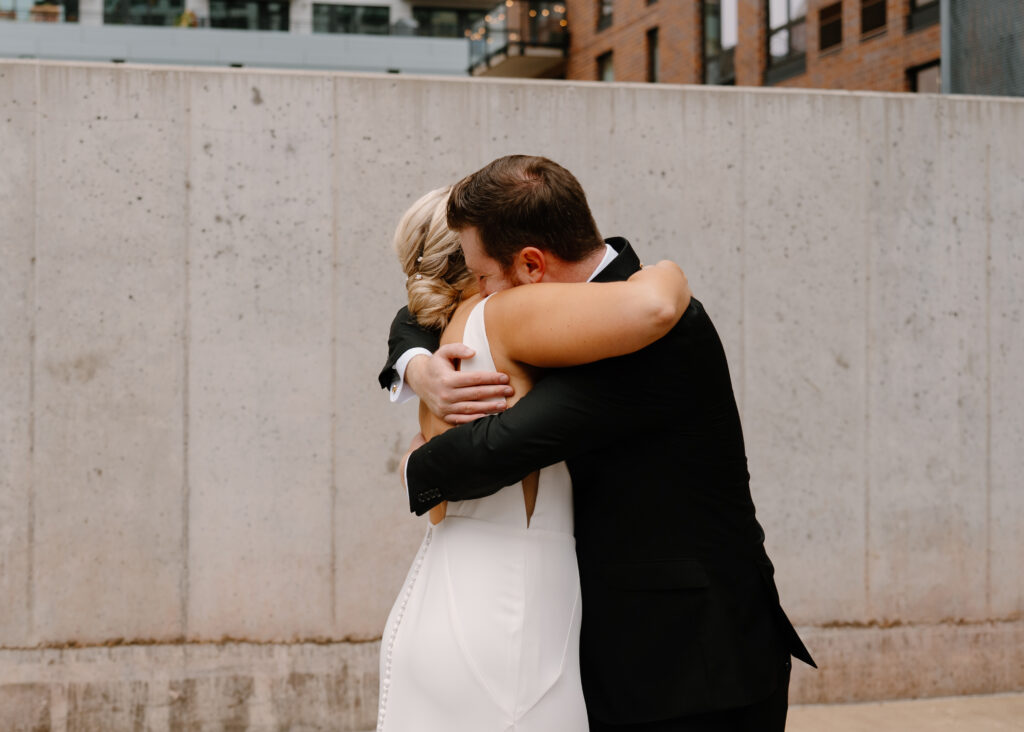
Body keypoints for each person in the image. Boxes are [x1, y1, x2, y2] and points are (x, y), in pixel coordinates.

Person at [383, 156, 816, 732]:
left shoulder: (652, 333)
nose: (478, 296)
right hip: (605, 654)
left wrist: (417, 464)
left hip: (693, 666)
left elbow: (498, 448)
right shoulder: (566, 311)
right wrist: (415, 365)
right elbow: (423, 311)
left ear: (531, 265)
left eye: (484, 277)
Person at [377, 185, 691, 732]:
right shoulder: (502, 314)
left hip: (438, 595)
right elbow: (652, 307)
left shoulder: (440, 349)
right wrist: (666, 270)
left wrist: (411, 367)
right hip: (512, 617)